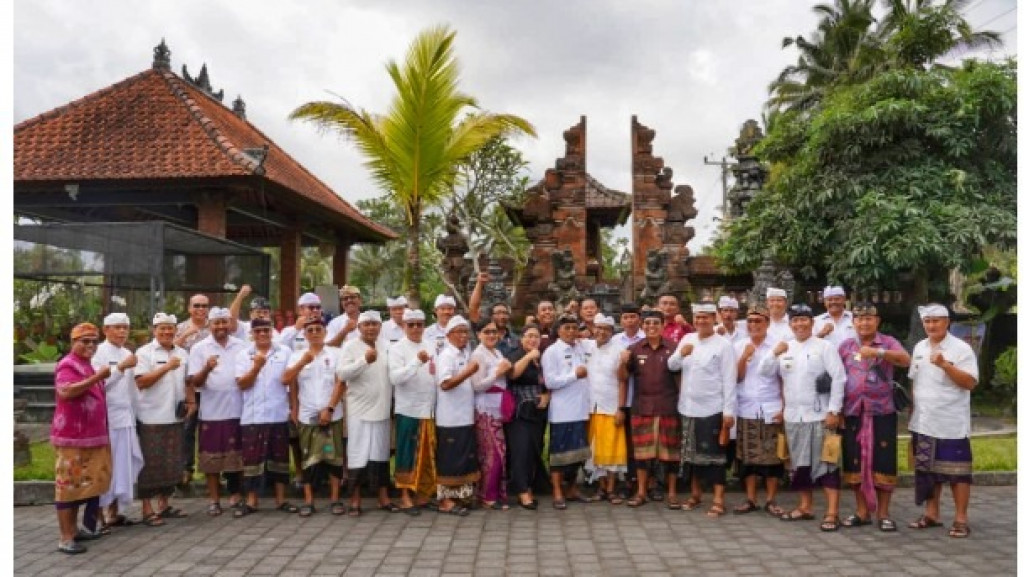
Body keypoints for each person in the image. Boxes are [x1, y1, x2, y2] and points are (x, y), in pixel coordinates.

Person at [758, 303, 845, 531]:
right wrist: (773, 352)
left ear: (811, 322)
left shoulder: (824, 347)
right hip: (794, 417)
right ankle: (805, 506)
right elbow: (764, 371)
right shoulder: (786, 348)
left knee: (827, 463)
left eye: (804, 319)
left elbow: (839, 378)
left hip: (820, 416)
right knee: (799, 464)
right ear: (790, 324)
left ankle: (832, 512)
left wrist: (834, 410)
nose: (800, 324)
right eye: (795, 320)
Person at [837, 303, 911, 532]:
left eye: (869, 318)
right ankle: (861, 511)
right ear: (853, 322)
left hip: (881, 412)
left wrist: (878, 353)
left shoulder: (887, 342)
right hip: (852, 412)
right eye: (859, 319)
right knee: (853, 462)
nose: (864, 323)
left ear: (877, 321)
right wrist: (837, 410)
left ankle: (883, 513)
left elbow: (905, 360)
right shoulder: (846, 346)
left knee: (884, 462)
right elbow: (837, 378)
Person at [907, 303, 979, 538]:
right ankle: (932, 514)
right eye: (927, 321)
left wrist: (945, 365)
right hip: (923, 421)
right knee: (928, 471)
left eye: (936, 320)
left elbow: (970, 383)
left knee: (958, 473)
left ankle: (960, 519)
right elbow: (914, 382)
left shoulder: (961, 349)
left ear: (947, 322)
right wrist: (912, 413)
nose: (931, 325)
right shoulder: (919, 347)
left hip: (951, 423)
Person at [668, 304, 737, 518]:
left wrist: (728, 412)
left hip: (713, 408)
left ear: (713, 318)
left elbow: (729, 379)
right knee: (690, 456)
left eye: (706, 318)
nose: (701, 322)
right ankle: (695, 494)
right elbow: (671, 366)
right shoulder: (687, 340)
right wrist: (681, 355)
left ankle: (718, 499)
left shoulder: (723, 345)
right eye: (698, 318)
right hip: (688, 408)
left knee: (714, 456)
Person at [52, 323, 113, 554]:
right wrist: (97, 377)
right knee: (68, 487)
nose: (90, 345)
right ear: (73, 342)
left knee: (86, 486)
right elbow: (66, 391)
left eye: (93, 341)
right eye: (84, 341)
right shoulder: (67, 364)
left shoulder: (87, 365)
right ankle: (66, 537)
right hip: (72, 438)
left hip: (93, 436)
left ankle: (78, 529)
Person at [234, 318, 298, 516]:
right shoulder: (244, 354)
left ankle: (281, 500)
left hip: (278, 412)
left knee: (279, 458)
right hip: (252, 415)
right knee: (252, 460)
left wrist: (294, 407)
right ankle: (252, 501)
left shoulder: (284, 352)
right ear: (252, 334)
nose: (262, 334)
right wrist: (256, 367)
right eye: (258, 331)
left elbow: (291, 382)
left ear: (272, 331)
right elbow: (242, 384)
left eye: (266, 330)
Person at [618, 310, 681, 508]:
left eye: (655, 323)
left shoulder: (674, 348)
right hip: (642, 408)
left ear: (663, 325)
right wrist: (623, 361)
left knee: (671, 454)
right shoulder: (634, 349)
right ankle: (641, 492)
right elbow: (622, 378)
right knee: (641, 455)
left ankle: (671, 493)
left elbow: (681, 378)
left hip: (668, 407)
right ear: (642, 326)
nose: (651, 326)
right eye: (647, 323)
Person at [188, 307, 247, 516]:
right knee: (211, 460)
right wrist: (206, 368)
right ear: (209, 325)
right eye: (216, 323)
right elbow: (194, 382)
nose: (221, 327)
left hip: (238, 410)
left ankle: (236, 495)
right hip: (211, 412)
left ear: (230, 324)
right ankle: (214, 499)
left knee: (237, 457)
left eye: (224, 322)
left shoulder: (242, 346)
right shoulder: (199, 348)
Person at [283, 317, 345, 517]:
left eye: (319, 329)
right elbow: (288, 381)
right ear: (305, 334)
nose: (315, 333)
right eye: (310, 330)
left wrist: (330, 408)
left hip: (331, 413)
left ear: (325, 332)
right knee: (308, 457)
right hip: (306, 414)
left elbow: (340, 383)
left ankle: (335, 499)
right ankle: (309, 500)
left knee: (333, 456)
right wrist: (294, 408)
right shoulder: (296, 355)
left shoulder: (335, 354)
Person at [337, 310, 396, 516]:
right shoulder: (350, 346)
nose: (371, 328)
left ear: (380, 327)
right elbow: (342, 374)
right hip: (359, 412)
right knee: (358, 454)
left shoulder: (387, 346)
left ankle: (383, 498)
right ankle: (355, 501)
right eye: (367, 324)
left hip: (381, 409)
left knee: (380, 455)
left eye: (375, 324)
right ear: (360, 327)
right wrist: (363, 360)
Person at [134, 313, 191, 526]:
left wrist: (191, 403)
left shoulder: (182, 353)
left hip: (175, 417)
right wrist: (166, 367)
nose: (167, 332)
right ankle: (147, 509)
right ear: (154, 330)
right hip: (151, 417)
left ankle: (164, 505)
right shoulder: (144, 353)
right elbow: (141, 383)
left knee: (171, 462)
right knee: (149, 465)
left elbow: (188, 381)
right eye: (162, 328)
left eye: (170, 328)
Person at [731, 304, 785, 517]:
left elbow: (783, 380)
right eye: (750, 321)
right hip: (746, 408)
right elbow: (736, 378)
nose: (753, 325)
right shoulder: (738, 346)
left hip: (771, 407)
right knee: (748, 458)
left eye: (758, 321)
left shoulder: (778, 346)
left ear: (767, 323)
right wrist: (744, 357)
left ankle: (771, 500)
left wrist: (784, 407)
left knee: (772, 459)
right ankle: (751, 499)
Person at [93, 313, 143, 530]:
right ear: (106, 330)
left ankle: (114, 512)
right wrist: (120, 368)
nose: (122, 331)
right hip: (106, 419)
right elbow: (97, 386)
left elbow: (132, 390)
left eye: (125, 327)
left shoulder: (127, 353)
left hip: (125, 418)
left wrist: (137, 412)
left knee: (122, 466)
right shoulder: (98, 353)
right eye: (117, 327)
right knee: (104, 467)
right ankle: (98, 516)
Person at [541, 314, 593, 510]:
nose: (571, 332)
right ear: (558, 331)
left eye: (574, 328)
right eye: (567, 328)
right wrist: (574, 375)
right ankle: (557, 491)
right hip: (562, 411)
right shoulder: (551, 352)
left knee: (579, 454)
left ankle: (572, 488)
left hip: (582, 409)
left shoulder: (581, 347)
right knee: (559, 454)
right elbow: (550, 382)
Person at [387, 309, 436, 513]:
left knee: (426, 452)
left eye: (419, 324)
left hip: (428, 408)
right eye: (411, 324)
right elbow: (395, 378)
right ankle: (405, 495)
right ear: (404, 326)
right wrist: (416, 361)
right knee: (407, 453)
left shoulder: (431, 345)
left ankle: (422, 494)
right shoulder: (397, 348)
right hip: (408, 409)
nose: (416, 328)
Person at [434, 315, 480, 516]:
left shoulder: (465, 354)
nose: (463, 336)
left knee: (464, 458)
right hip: (450, 418)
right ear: (449, 334)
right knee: (450, 460)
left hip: (465, 416)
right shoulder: (446, 355)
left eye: (465, 332)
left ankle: (461, 496)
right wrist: (468, 372)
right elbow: (445, 384)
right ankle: (445, 500)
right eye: (459, 332)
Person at [469, 318, 514, 510]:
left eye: (494, 332)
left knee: (499, 453)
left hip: (497, 408)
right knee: (492, 453)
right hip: (485, 408)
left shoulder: (497, 352)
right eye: (487, 332)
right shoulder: (478, 354)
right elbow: (477, 385)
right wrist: (498, 373)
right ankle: (487, 495)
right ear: (478, 334)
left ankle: (495, 492)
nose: (491, 335)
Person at [505, 324, 550, 509]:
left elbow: (546, 381)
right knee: (520, 451)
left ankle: (529, 485)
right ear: (521, 339)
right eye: (529, 336)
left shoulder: (541, 358)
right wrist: (529, 356)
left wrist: (547, 395)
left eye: (536, 337)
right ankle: (522, 491)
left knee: (534, 449)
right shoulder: (516, 354)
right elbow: (513, 374)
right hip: (519, 411)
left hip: (537, 412)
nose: (532, 340)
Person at [585, 313, 628, 504]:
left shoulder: (619, 350)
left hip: (610, 406)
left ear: (612, 332)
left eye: (606, 329)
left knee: (611, 448)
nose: (601, 332)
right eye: (598, 328)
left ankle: (611, 489)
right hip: (590, 406)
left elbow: (623, 382)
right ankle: (601, 487)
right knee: (595, 450)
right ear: (594, 329)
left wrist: (621, 408)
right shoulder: (587, 347)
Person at [175, 293, 210, 491]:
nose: (200, 309)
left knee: (208, 429)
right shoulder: (180, 327)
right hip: (187, 388)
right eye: (196, 305)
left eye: (204, 306)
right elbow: (171, 348)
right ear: (189, 308)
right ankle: (186, 469)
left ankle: (210, 468)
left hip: (208, 387)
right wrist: (187, 334)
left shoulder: (214, 327)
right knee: (187, 429)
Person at [611, 303, 645, 497]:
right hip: (621, 399)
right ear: (621, 320)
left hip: (641, 398)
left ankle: (647, 483)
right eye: (626, 317)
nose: (630, 320)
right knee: (626, 444)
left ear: (639, 319)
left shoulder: (646, 337)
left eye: (633, 316)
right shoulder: (615, 340)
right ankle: (627, 482)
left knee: (641, 443)